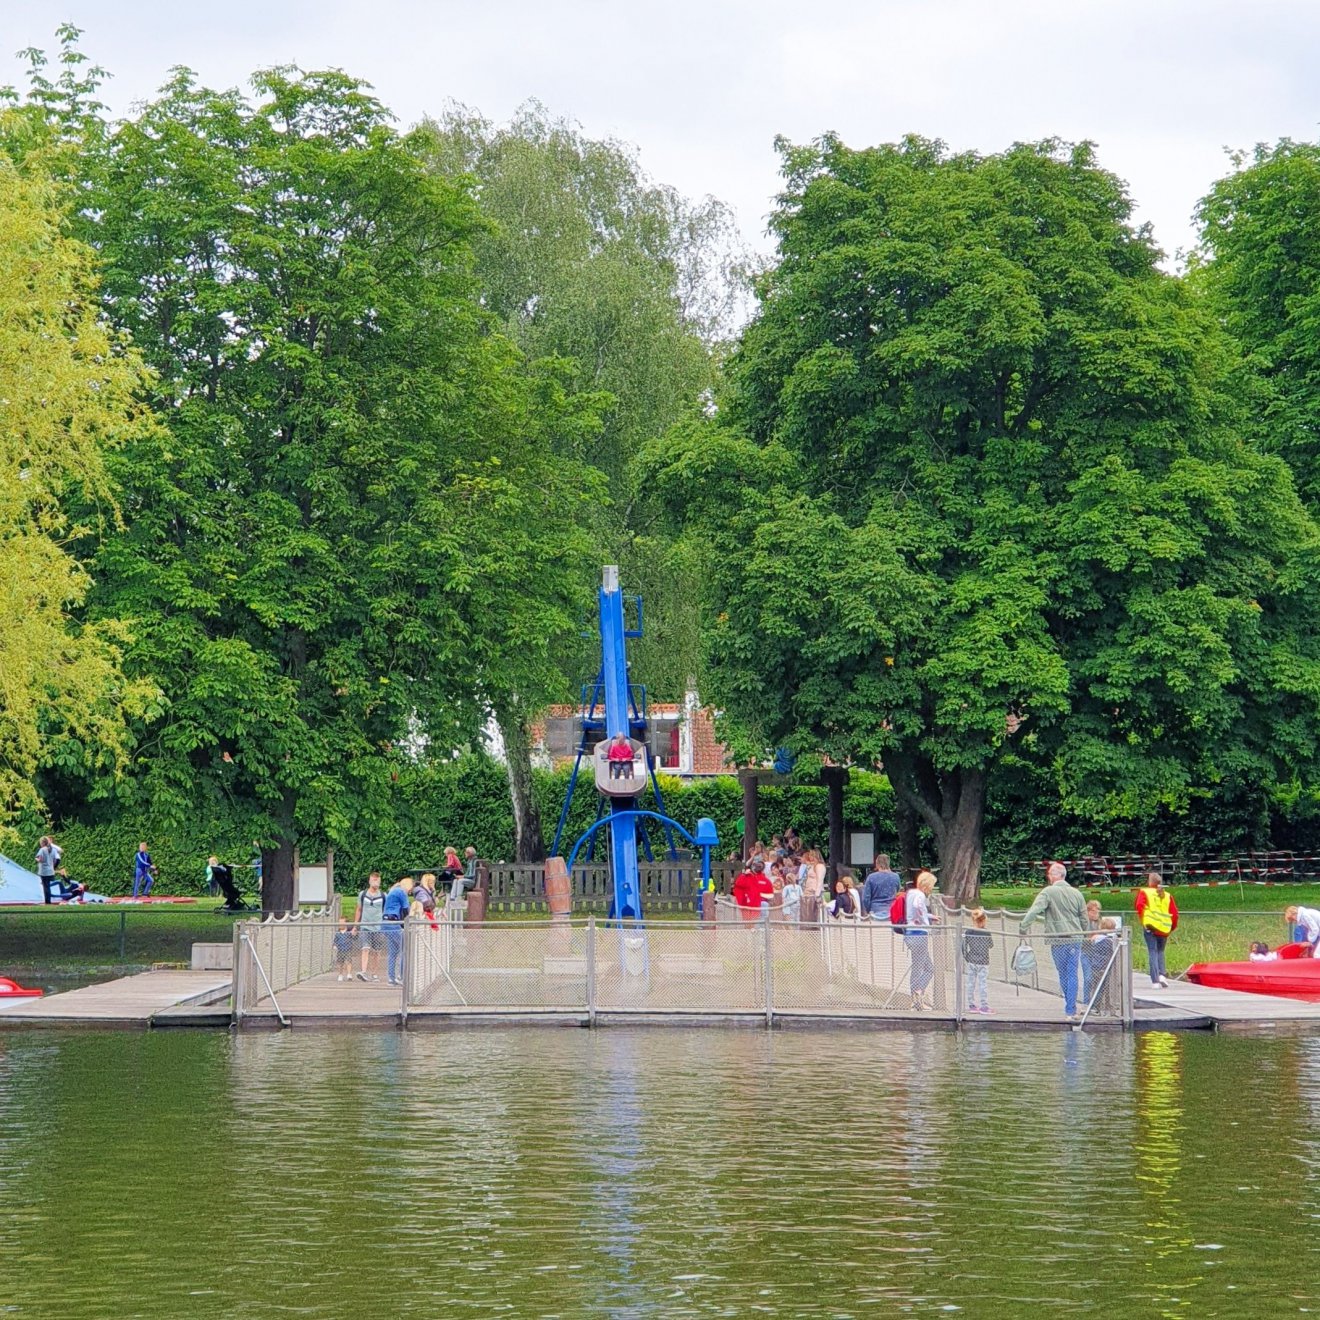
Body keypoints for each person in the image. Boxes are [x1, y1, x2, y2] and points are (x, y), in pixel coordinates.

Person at [1019, 861, 1089, 1020]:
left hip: (1058, 939)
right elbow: (1084, 918)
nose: (1048, 877)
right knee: (1072, 973)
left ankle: (1069, 1007)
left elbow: (1034, 910)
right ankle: (1070, 1009)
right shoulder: (1077, 893)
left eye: (1050, 874)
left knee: (1063, 973)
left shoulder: (1048, 892)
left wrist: (1023, 927)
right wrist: (1084, 934)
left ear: (1056, 875)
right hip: (1075, 938)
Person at [1135, 872, 1179, 988]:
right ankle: (1162, 975)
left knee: (1152, 951)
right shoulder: (1168, 895)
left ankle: (1155, 981)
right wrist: (1171, 927)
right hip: (1163, 927)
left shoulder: (1145, 892)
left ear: (1150, 882)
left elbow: (1139, 906)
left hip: (1150, 926)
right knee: (1160, 951)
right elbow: (1175, 914)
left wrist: (1144, 920)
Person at [905, 871, 939, 1010]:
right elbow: (918, 907)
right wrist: (925, 922)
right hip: (919, 934)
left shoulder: (911, 893)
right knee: (923, 968)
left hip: (910, 933)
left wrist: (930, 916)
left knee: (920, 966)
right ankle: (917, 995)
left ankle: (916, 996)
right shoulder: (919, 895)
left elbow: (915, 910)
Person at [354, 872, 386, 981]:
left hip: (378, 927)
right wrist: (355, 925)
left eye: (377, 880)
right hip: (365, 926)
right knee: (365, 948)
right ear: (369, 881)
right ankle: (363, 972)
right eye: (373, 880)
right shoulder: (362, 894)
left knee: (377, 951)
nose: (376, 882)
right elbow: (359, 909)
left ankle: (374, 974)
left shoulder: (383, 895)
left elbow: (385, 910)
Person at [383, 876, 413, 986]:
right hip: (394, 923)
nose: (410, 892)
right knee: (404, 950)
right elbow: (406, 910)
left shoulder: (392, 891)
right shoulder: (401, 892)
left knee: (392, 952)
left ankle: (391, 978)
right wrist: (407, 923)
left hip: (385, 922)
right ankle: (402, 976)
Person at [963, 908, 993, 1014]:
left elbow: (963, 946)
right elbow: (991, 945)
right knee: (982, 983)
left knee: (970, 983)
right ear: (983, 920)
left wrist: (966, 956)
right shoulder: (986, 932)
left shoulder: (968, 931)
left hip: (971, 960)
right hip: (983, 961)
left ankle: (971, 1005)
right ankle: (984, 1006)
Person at [860, 853, 902, 919]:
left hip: (875, 910)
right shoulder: (896, 877)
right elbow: (898, 894)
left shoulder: (871, 877)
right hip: (892, 911)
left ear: (877, 864)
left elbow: (866, 898)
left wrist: (869, 910)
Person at [800, 849, 827, 924]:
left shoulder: (819, 866)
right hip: (808, 892)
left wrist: (817, 894)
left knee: (815, 913)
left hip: (814, 892)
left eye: (812, 855)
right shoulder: (812, 866)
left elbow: (820, 880)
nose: (810, 856)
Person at [35, 836, 61, 906]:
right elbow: (55, 860)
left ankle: (47, 902)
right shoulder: (53, 850)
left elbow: (40, 859)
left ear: (43, 842)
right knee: (48, 886)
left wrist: (36, 859)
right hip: (50, 871)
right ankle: (48, 901)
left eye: (40, 842)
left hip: (44, 871)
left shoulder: (42, 849)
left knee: (45, 887)